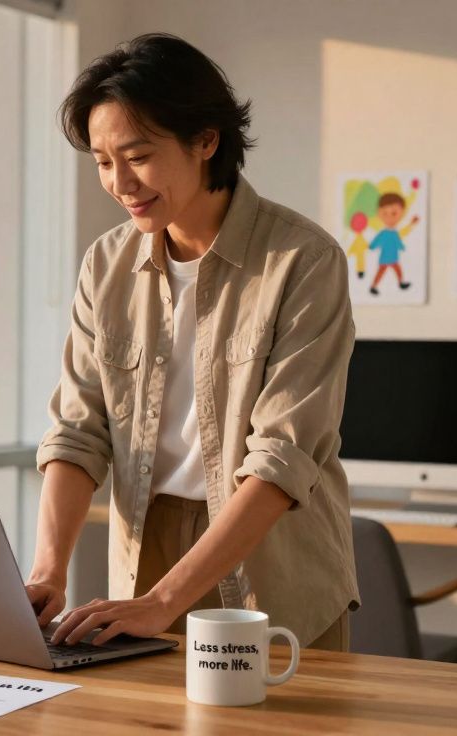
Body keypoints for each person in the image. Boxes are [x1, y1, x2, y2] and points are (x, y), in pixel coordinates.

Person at [27, 33, 359, 652]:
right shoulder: (106, 265)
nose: (121, 183)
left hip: (270, 561)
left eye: (138, 156)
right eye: (102, 162)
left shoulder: (303, 260)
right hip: (143, 552)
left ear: (206, 140)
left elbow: (282, 457)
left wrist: (166, 601)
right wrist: (49, 571)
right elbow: (78, 430)